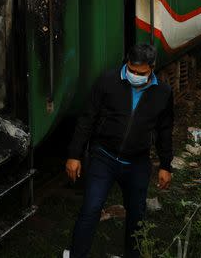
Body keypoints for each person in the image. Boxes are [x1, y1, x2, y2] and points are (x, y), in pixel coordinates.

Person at [63, 44, 174, 258]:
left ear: (152, 68)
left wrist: (165, 165)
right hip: (103, 156)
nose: (134, 75)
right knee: (91, 208)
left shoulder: (163, 93)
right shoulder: (107, 81)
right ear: (127, 62)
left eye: (140, 73)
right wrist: (74, 154)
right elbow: (87, 118)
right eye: (131, 70)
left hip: (138, 163)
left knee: (136, 215)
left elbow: (165, 130)